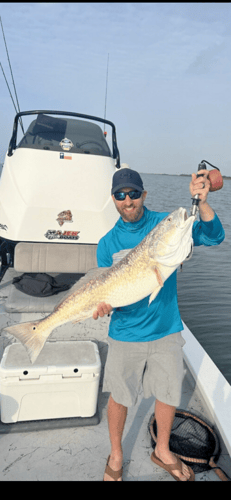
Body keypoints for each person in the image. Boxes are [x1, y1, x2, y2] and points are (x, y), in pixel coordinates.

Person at [93, 168, 225, 481]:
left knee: (167, 392)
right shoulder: (107, 243)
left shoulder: (165, 224)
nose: (129, 200)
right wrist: (102, 303)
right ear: (113, 199)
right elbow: (103, 288)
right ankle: (116, 453)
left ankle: (162, 449)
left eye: (134, 193)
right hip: (125, 331)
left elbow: (214, 236)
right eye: (121, 195)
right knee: (120, 396)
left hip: (166, 328)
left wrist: (202, 202)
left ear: (144, 195)